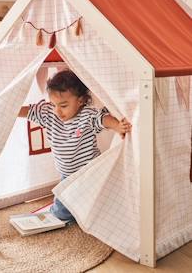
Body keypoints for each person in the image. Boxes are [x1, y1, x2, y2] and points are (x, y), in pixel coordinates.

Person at [19, 69, 132, 222]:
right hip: (67, 176)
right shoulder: (49, 114)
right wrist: (11, 110)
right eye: (53, 104)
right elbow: (29, 111)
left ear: (80, 101)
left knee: (100, 207)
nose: (57, 111)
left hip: (90, 173)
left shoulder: (87, 115)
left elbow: (103, 118)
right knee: (62, 214)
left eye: (64, 105)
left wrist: (118, 126)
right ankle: (59, 210)